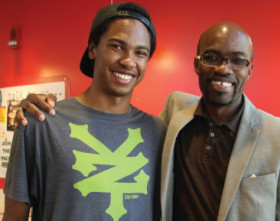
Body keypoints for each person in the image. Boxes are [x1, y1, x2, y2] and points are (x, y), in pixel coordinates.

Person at [14, 22, 280, 220]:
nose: (224, 69)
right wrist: (34, 104)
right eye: (212, 57)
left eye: (237, 61)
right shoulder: (174, 120)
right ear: (197, 64)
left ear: (250, 70)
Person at [3, 2, 166, 221]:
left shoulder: (160, 133)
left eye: (140, 52)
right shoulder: (41, 123)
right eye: (117, 46)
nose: (128, 61)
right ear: (92, 49)